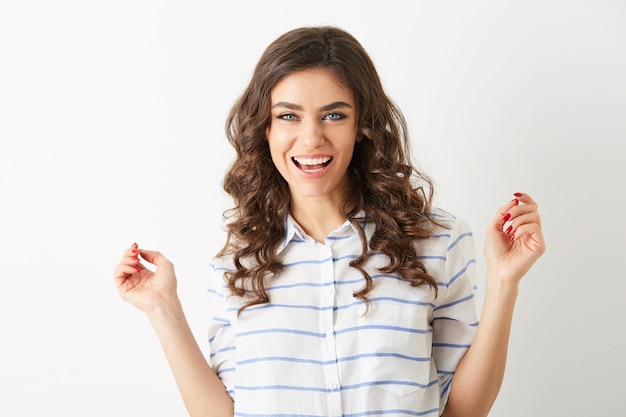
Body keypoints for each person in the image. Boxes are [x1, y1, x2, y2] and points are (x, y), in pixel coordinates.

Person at [113, 26, 545, 417]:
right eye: (288, 115)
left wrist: (505, 284)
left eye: (334, 115)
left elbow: (464, 412)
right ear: (264, 127)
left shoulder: (437, 242)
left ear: (362, 125)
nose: (312, 138)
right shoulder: (236, 262)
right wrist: (162, 307)